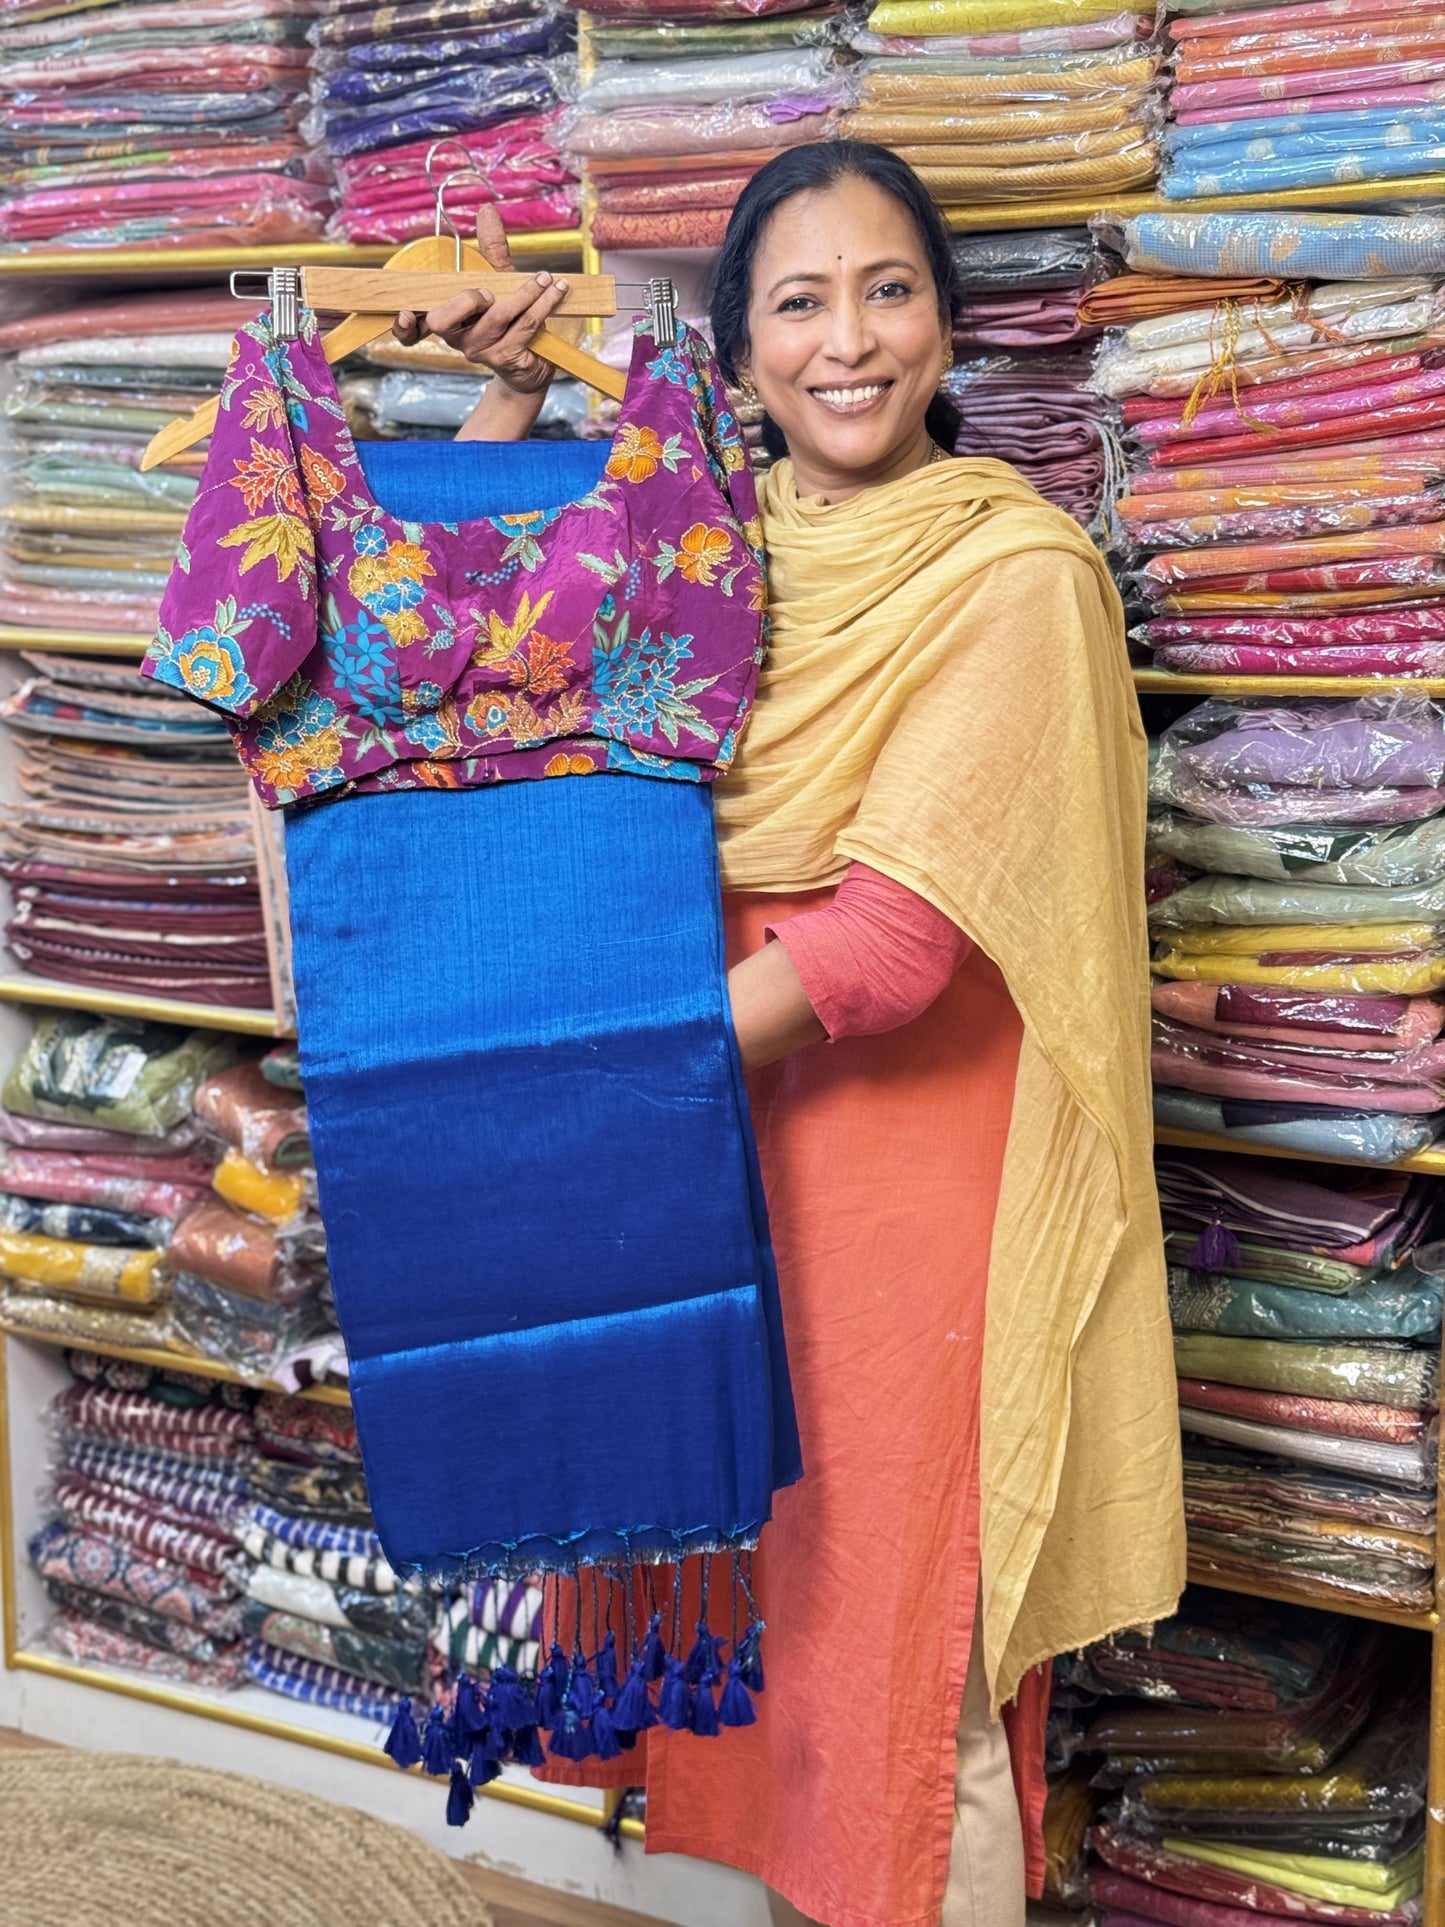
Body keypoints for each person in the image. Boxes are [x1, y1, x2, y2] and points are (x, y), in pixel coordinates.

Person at [393, 143, 1184, 1927]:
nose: (848, 342)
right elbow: (473, 665)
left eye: (887, 290)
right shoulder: (704, 545)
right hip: (707, 1158)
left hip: (915, 1192)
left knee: (915, 1666)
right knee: (765, 1642)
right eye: (798, 302)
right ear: (737, 353)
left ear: (949, 324)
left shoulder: (1014, 575)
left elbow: (891, 948)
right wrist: (511, 392)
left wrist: (580, 1076)